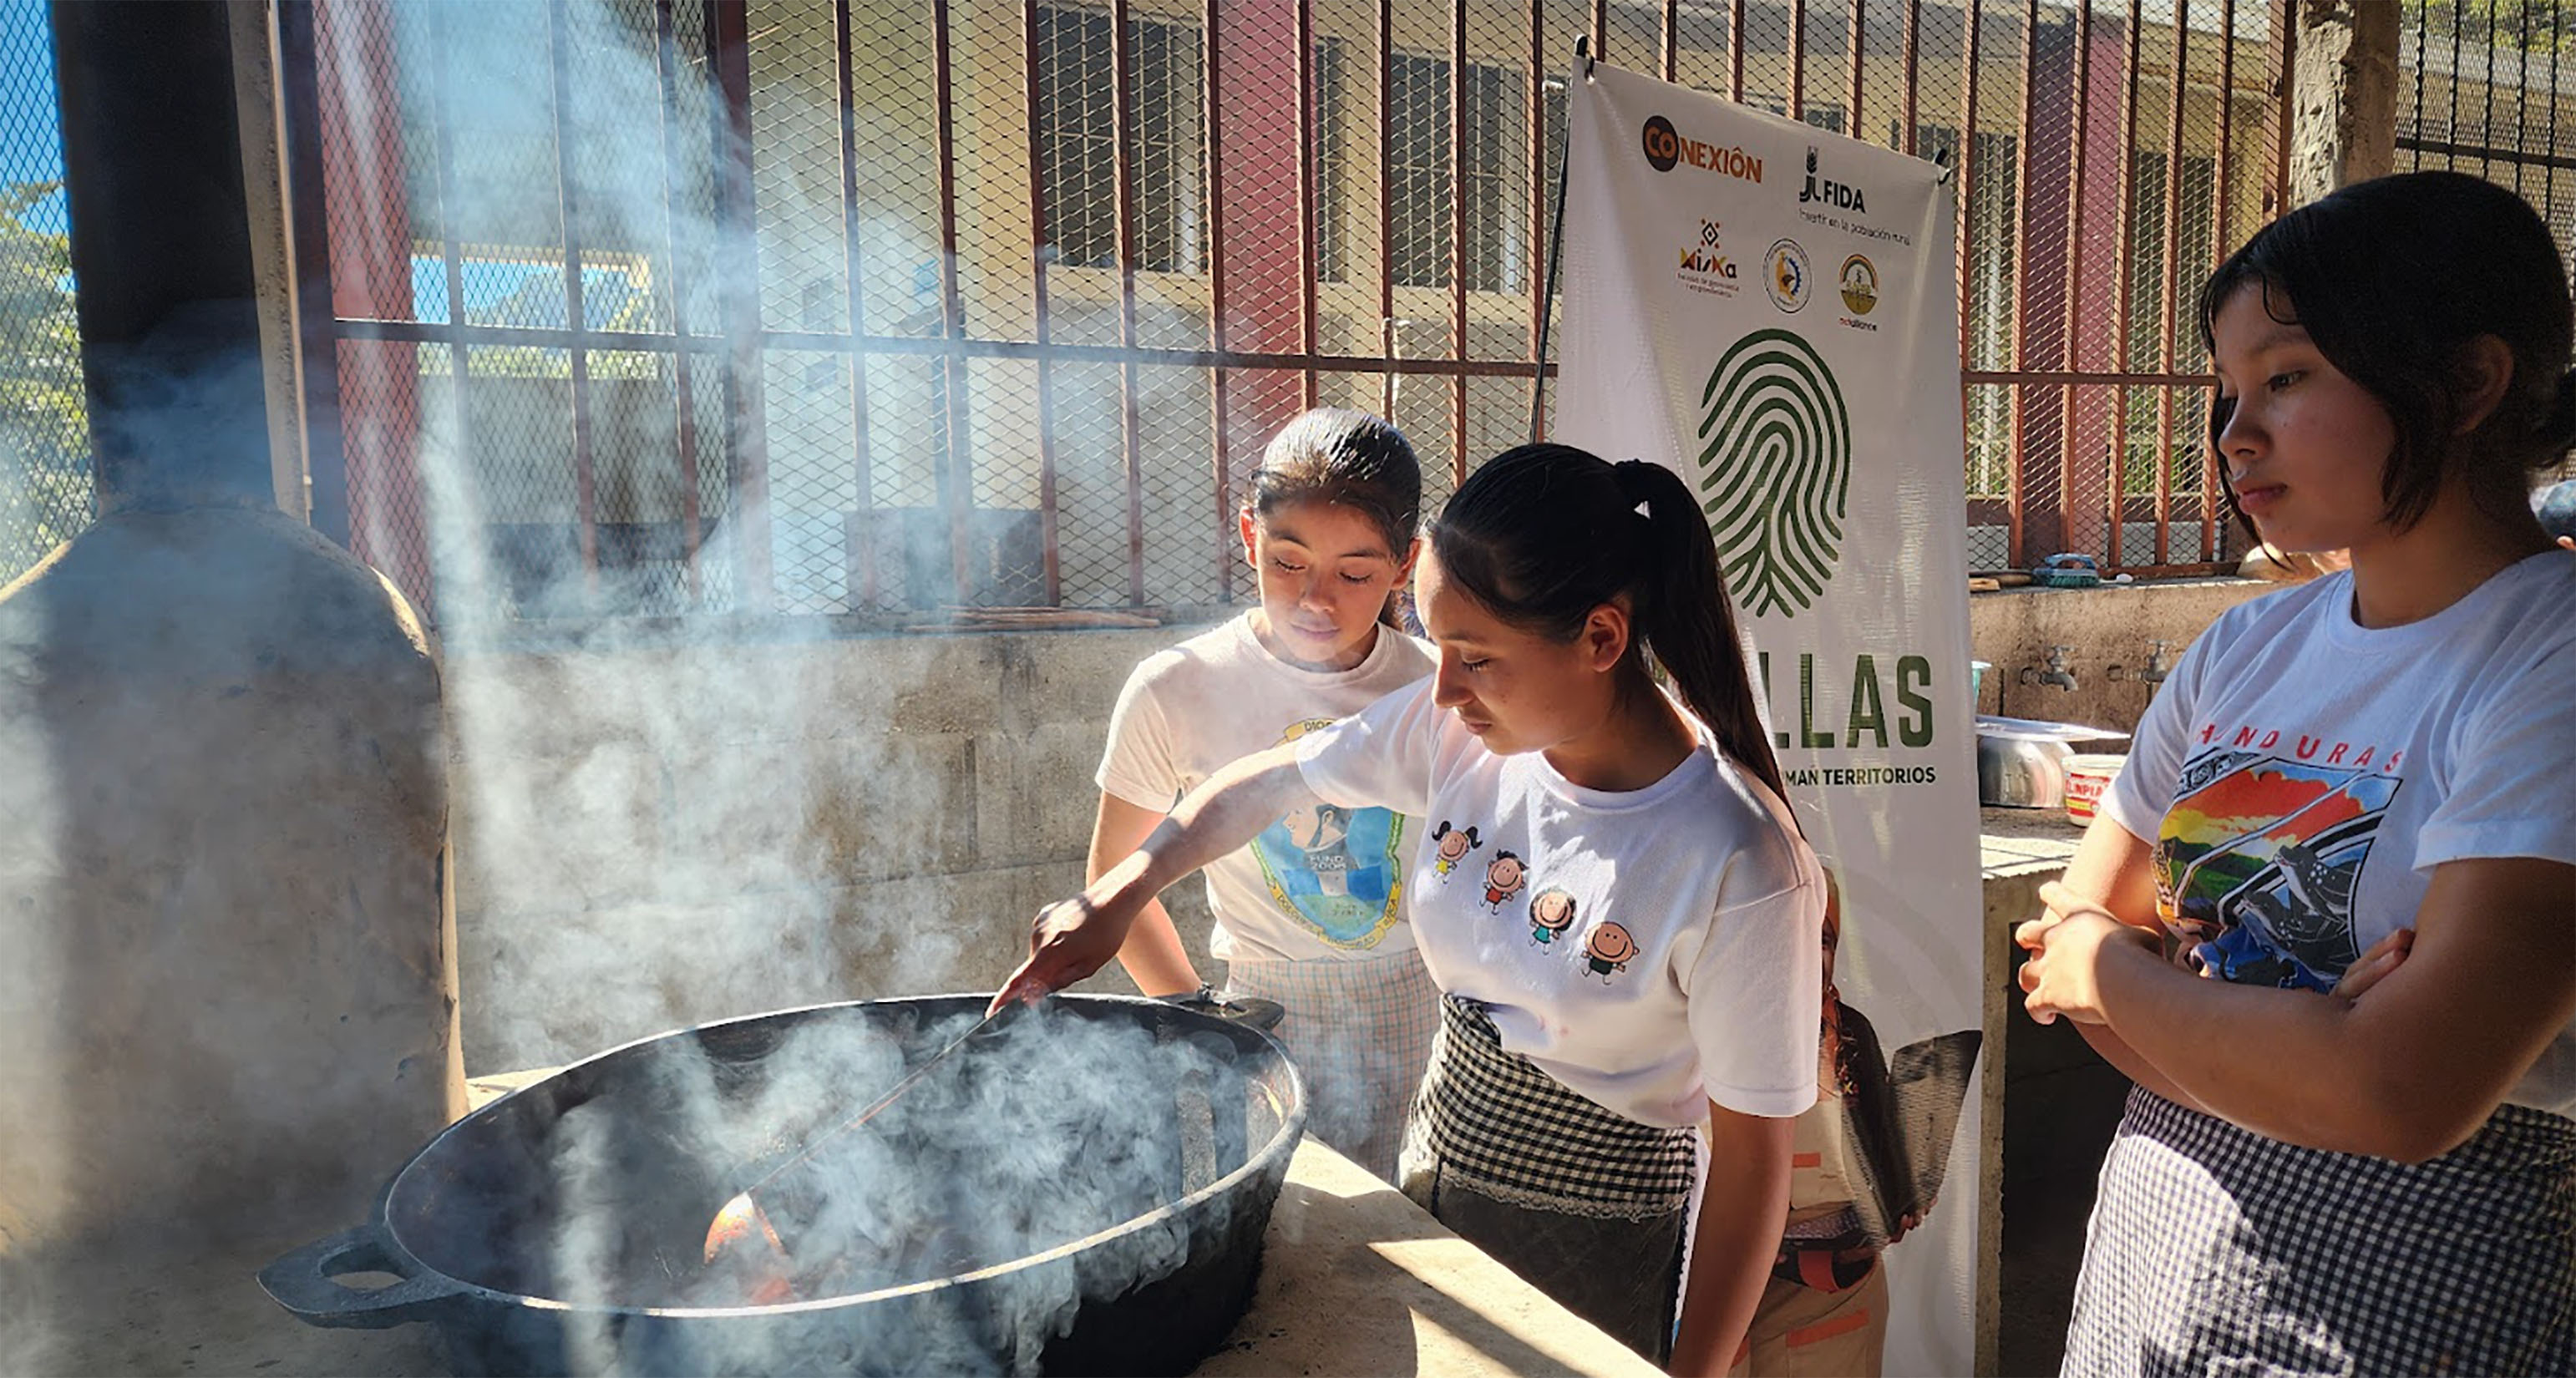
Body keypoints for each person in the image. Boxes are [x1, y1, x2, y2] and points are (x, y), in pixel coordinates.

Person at [999, 443, 1824, 1375]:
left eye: (1476, 658)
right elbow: (1266, 784)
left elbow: (1754, 1164)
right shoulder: (1459, 731)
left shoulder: (1740, 862)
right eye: (1439, 645)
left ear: (1601, 639)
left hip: (1603, 1232)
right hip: (1435, 1174)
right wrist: (1119, 893)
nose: (1443, 688)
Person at [2015, 170, 2576, 1375]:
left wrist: (2131, 971)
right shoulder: (2245, 647)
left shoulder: (2551, 658)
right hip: (2157, 1249)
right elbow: (2063, 947)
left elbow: (2403, 1092)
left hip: (2424, 1296)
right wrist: (2307, 1042)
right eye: (2229, 389)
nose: (2234, 434)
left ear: (2468, 382)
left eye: (2287, 377)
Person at [1086, 407, 1436, 1182]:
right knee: (1290, 1226)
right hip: (1267, 1017)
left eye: (1354, 574)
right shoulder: (1177, 688)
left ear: (1404, 564)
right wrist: (1205, 1022)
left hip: (1425, 1012)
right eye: (1287, 562)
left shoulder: (1437, 687)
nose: (1316, 599)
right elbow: (1115, 882)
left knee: (1425, 1225)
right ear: (1249, 536)